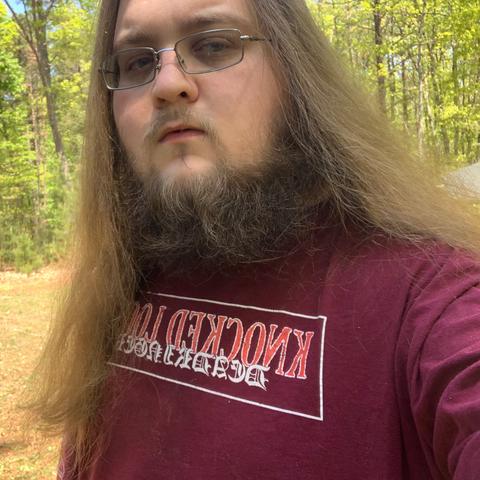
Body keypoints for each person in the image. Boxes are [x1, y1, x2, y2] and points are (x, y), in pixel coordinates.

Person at [29, 0, 480, 479]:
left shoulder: (427, 296)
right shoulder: (120, 281)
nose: (167, 84)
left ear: (294, 73)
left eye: (213, 45)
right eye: (138, 62)